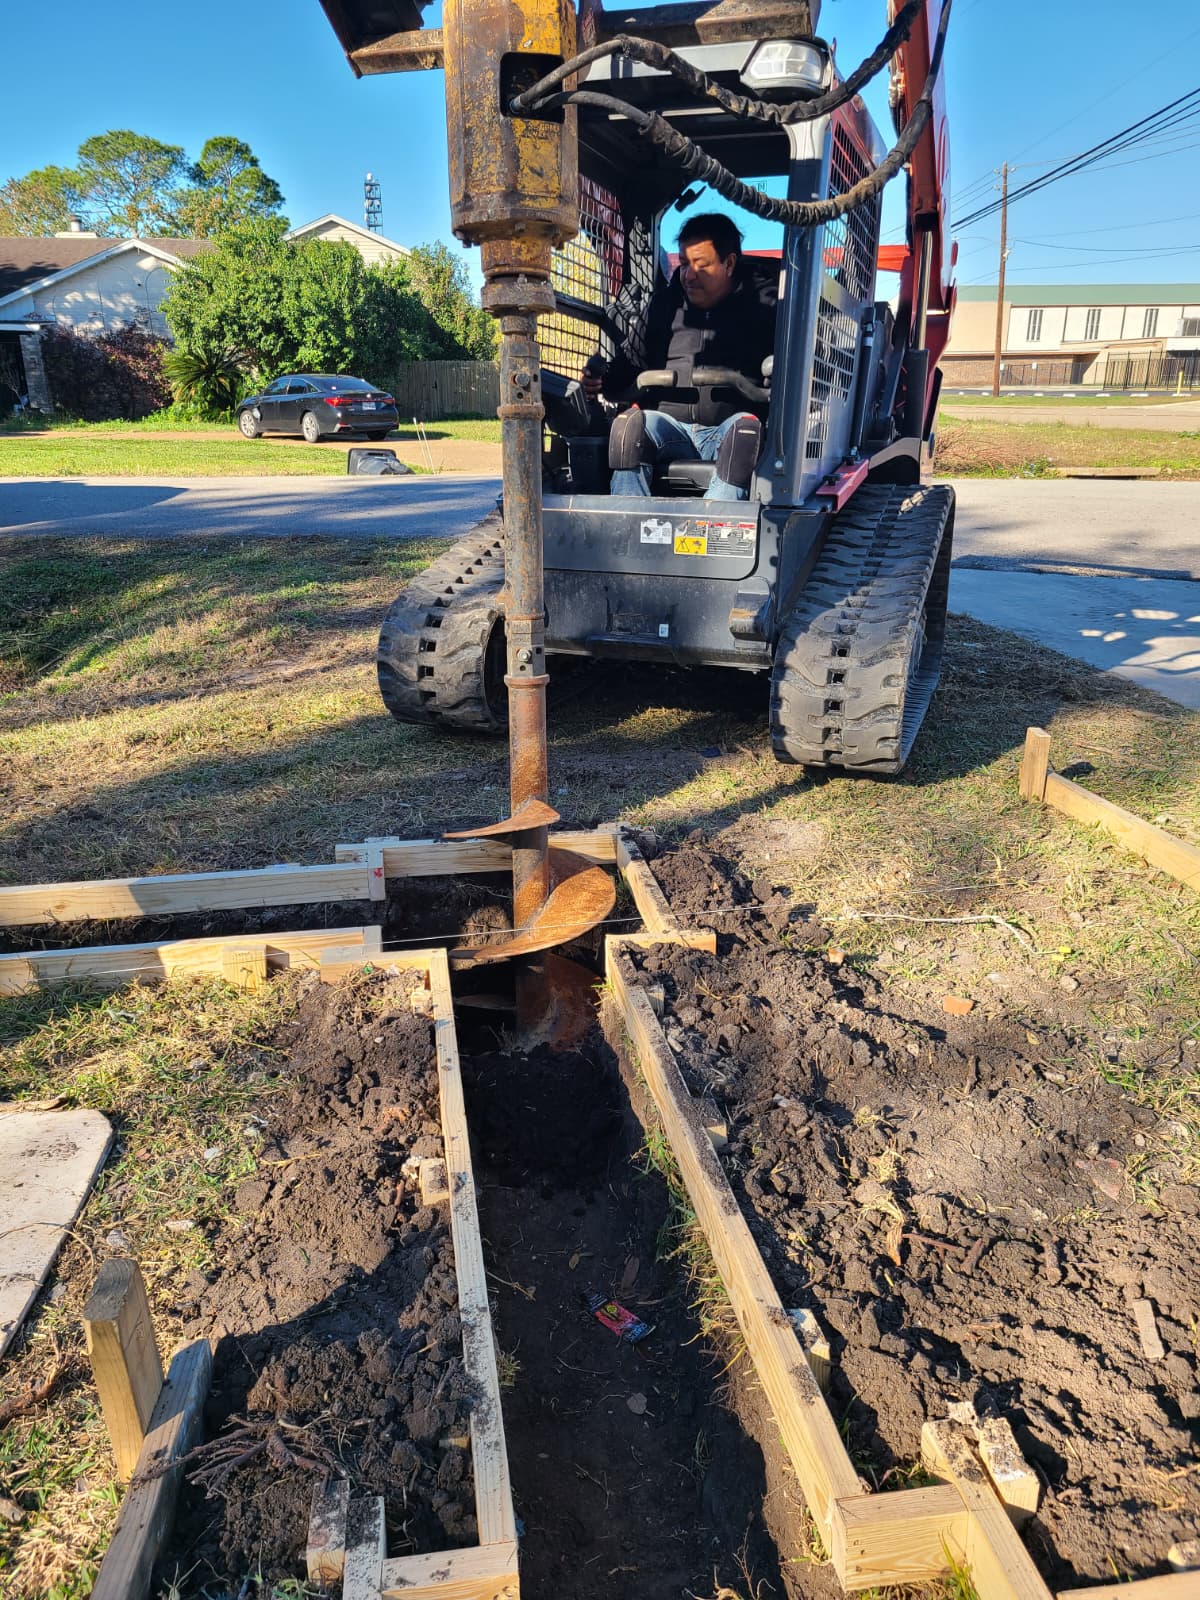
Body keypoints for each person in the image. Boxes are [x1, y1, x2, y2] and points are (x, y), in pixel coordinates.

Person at [582, 212, 777, 499]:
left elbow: (792, 377)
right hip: (669, 428)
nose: (688, 275)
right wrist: (601, 380)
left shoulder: (766, 306)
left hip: (730, 427)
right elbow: (627, 365)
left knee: (745, 432)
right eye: (684, 263)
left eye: (702, 265)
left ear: (729, 263)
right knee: (627, 426)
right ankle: (627, 527)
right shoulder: (663, 305)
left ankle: (714, 533)